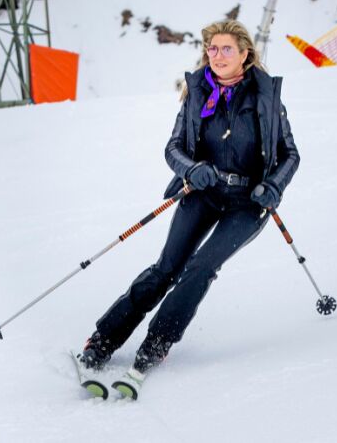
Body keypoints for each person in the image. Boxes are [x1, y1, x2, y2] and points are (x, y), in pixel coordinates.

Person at [77, 20, 299, 398]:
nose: (217, 56)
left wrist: (273, 186)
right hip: (203, 192)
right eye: (212, 49)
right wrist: (191, 169)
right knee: (166, 269)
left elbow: (290, 155)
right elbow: (173, 148)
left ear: (245, 54)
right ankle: (103, 339)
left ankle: (157, 344)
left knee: (200, 269)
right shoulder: (197, 92)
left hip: (247, 204)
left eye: (226, 49)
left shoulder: (266, 96)